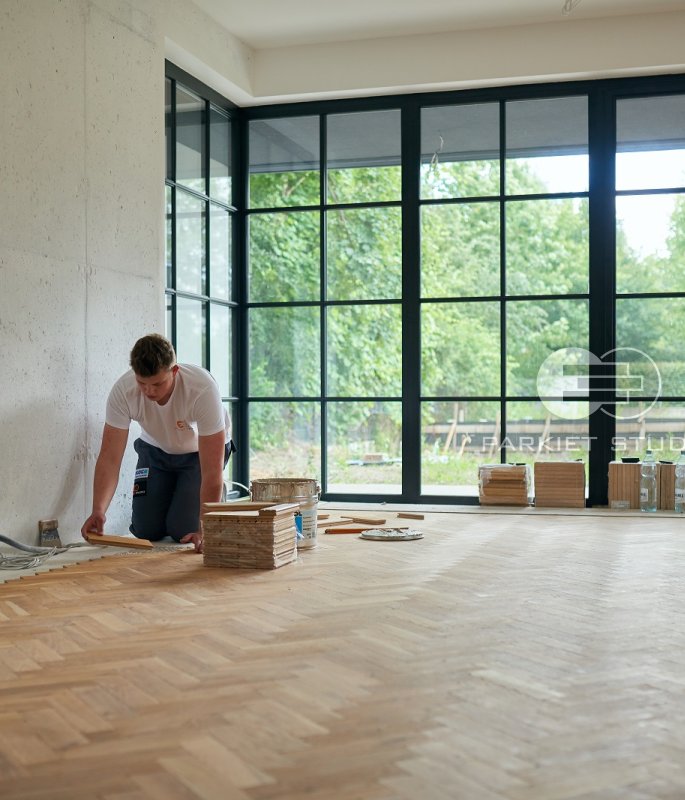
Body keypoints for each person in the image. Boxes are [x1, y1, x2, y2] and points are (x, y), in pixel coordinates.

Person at [81, 333, 235, 553]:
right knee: (146, 530)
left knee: (182, 530)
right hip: (155, 450)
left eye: (157, 383)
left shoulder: (202, 389)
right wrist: (98, 510)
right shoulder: (123, 391)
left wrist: (206, 527)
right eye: (142, 383)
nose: (149, 391)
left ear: (174, 371)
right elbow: (109, 458)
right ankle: (176, 493)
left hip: (198, 455)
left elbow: (211, 470)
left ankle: (214, 501)